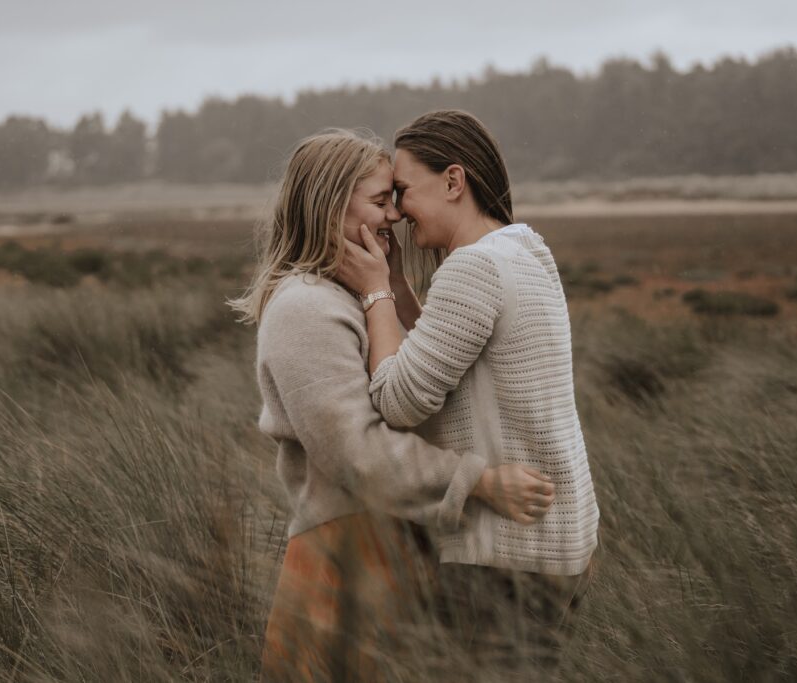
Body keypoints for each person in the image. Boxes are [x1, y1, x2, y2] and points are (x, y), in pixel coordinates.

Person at [228, 128, 555, 682]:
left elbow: (420, 385)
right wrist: (479, 482)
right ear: (330, 204)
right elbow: (358, 453)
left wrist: (396, 286)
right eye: (381, 201)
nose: (396, 216)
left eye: (396, 200)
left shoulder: (356, 295)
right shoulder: (304, 308)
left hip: (396, 546)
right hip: (346, 558)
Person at [335, 110, 600, 671]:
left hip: (505, 557)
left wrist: (375, 291)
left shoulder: (473, 269)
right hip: (561, 542)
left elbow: (397, 400)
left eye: (404, 191)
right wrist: (403, 286)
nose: (399, 212)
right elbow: (452, 351)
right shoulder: (525, 249)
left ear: (454, 182)